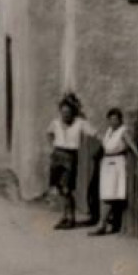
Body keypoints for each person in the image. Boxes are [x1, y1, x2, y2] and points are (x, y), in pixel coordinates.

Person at [46, 92, 95, 230]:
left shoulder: (80, 123)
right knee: (60, 189)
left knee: (67, 189)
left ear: (73, 112)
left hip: (70, 156)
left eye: (68, 112)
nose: (65, 115)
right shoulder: (55, 122)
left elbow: (94, 133)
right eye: (63, 112)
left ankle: (71, 218)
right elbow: (49, 133)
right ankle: (64, 216)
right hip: (57, 155)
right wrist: (51, 147)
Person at [91, 108, 138, 236]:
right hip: (107, 162)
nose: (113, 121)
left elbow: (130, 143)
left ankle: (102, 224)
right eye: (111, 119)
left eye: (115, 119)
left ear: (120, 119)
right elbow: (104, 144)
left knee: (109, 194)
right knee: (104, 193)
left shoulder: (123, 131)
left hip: (116, 163)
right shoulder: (109, 131)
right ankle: (103, 223)